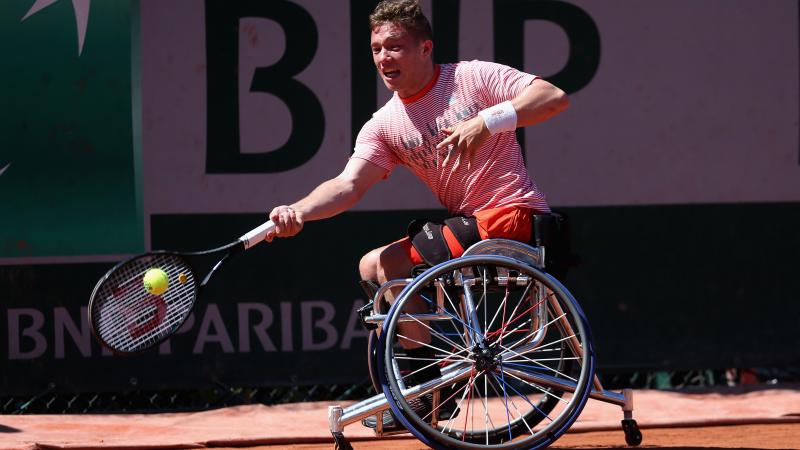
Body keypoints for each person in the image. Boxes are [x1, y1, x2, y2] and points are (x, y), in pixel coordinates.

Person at [266, 0, 569, 429]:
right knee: (371, 265)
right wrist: (297, 211)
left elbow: (553, 97)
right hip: (472, 229)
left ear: (426, 48)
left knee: (387, 262)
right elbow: (348, 185)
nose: (383, 58)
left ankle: (425, 396)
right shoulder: (385, 124)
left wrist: (487, 121)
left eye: (395, 46)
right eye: (376, 49)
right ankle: (425, 392)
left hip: (514, 216)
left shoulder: (473, 78)